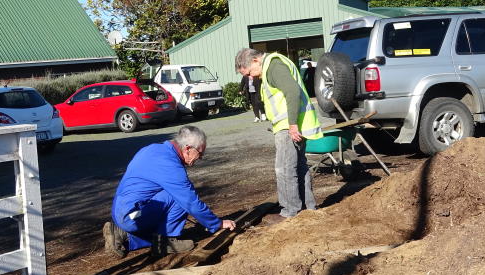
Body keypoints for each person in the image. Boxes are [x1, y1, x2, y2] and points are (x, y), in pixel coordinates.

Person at [103, 126, 236, 258]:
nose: (200, 158)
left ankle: (124, 235)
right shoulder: (170, 166)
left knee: (173, 194)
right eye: (200, 154)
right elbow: (190, 202)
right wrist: (216, 223)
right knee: (180, 196)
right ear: (188, 148)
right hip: (132, 216)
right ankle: (166, 241)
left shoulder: (153, 149)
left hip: (122, 211)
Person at [234, 48, 323, 223]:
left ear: (255, 61)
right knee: (298, 167)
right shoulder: (274, 64)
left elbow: (292, 92)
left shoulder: (273, 66)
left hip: (288, 127)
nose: (251, 77)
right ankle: (307, 208)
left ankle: (290, 212)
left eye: (250, 73)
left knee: (284, 169)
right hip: (294, 124)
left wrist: (292, 124)